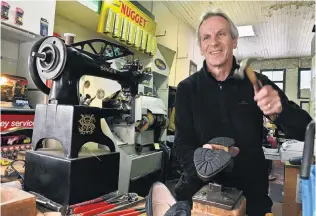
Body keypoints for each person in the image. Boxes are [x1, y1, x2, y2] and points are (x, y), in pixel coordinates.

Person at [173, 8, 312, 216]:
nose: (214, 42)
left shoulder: (256, 83)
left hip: (251, 197)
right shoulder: (187, 89)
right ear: (201, 47)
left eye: (221, 34)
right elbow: (182, 145)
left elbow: (305, 129)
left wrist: (280, 111)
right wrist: (205, 168)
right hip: (200, 196)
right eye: (206, 37)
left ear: (234, 41)